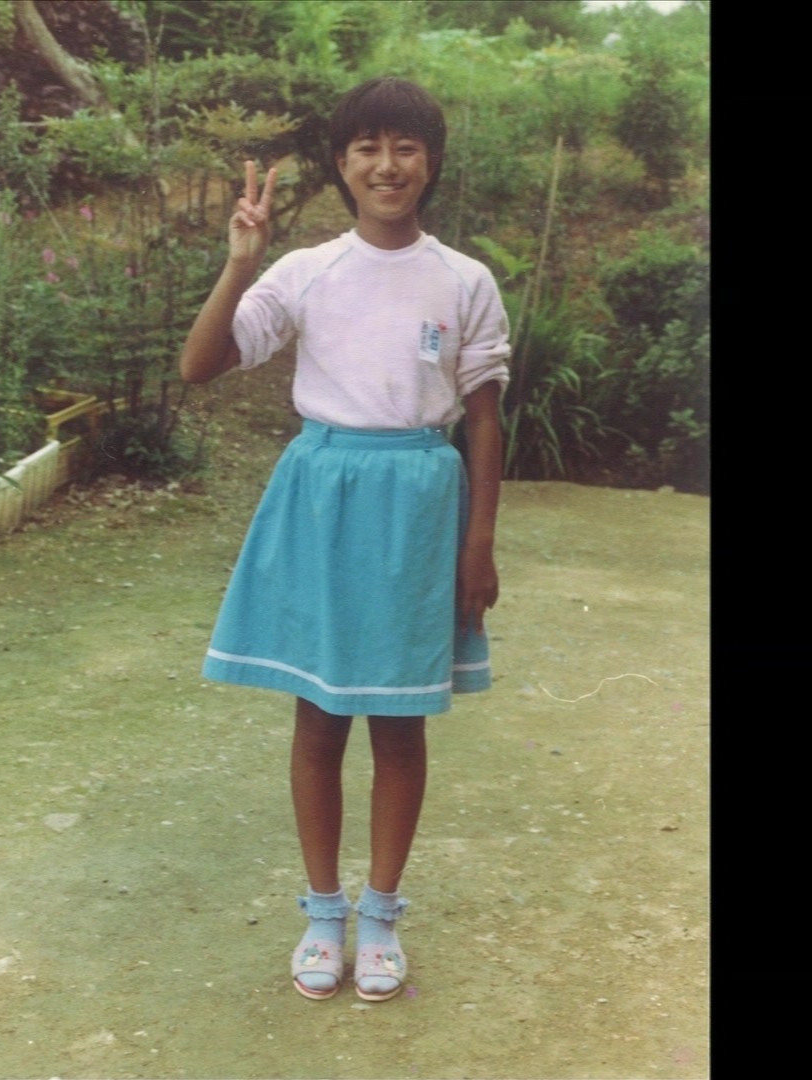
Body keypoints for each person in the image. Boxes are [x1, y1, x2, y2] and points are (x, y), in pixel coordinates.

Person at [179, 77, 510, 1002]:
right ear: (341, 162)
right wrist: (240, 263)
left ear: (431, 162)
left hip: (419, 510)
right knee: (320, 718)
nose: (386, 165)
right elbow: (200, 365)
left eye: (405, 147)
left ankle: (382, 914)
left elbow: (485, 420)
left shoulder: (464, 280)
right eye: (367, 147)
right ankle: (323, 914)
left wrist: (478, 544)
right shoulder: (305, 270)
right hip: (321, 502)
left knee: (399, 723)